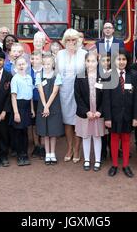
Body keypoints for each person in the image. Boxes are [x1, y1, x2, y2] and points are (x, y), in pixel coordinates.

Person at [103, 49, 137, 178]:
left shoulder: (133, 75)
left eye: (124, 59)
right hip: (113, 115)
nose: (121, 62)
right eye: (119, 59)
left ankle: (125, 165)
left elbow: (136, 98)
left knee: (126, 139)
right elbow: (106, 99)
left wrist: (136, 116)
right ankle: (114, 165)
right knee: (114, 139)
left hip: (128, 115)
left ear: (127, 60)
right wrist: (107, 117)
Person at [56, 29, 87, 163]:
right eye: (68, 40)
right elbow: (57, 73)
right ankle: (69, 148)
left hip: (80, 90)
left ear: (78, 40)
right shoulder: (60, 54)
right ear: (64, 41)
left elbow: (87, 73)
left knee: (78, 120)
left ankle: (77, 149)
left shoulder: (84, 53)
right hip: (64, 90)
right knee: (67, 121)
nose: (71, 42)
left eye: (73, 39)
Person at [74, 52, 106, 172]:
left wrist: (100, 111)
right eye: (88, 61)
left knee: (97, 136)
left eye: (93, 61)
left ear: (97, 62)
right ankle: (87, 159)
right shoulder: (79, 76)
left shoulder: (102, 76)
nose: (90, 63)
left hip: (98, 112)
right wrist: (86, 111)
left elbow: (105, 97)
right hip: (85, 113)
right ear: (85, 62)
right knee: (86, 136)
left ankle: (97, 160)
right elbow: (77, 96)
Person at [36, 53, 64, 165]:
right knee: (45, 131)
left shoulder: (56, 75)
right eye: (45, 64)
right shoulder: (39, 75)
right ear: (42, 64)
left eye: (49, 63)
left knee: (53, 131)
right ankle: (47, 153)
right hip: (43, 105)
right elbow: (40, 91)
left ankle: (53, 153)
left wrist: (47, 106)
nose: (47, 66)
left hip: (53, 106)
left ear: (53, 64)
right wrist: (44, 105)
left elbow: (55, 92)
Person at [10, 57, 35, 166]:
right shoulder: (15, 79)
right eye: (19, 64)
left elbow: (30, 96)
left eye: (23, 64)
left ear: (27, 65)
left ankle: (25, 154)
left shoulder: (29, 78)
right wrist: (16, 112)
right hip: (18, 107)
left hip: (27, 107)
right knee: (18, 133)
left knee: (25, 132)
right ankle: (20, 155)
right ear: (15, 67)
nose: (21, 66)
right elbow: (13, 97)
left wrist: (32, 109)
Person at [29, 51, 44, 158]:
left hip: (43, 101)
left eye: (37, 58)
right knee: (34, 124)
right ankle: (36, 146)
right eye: (32, 58)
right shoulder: (27, 71)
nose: (35, 61)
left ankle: (43, 147)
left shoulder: (45, 71)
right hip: (31, 100)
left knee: (43, 122)